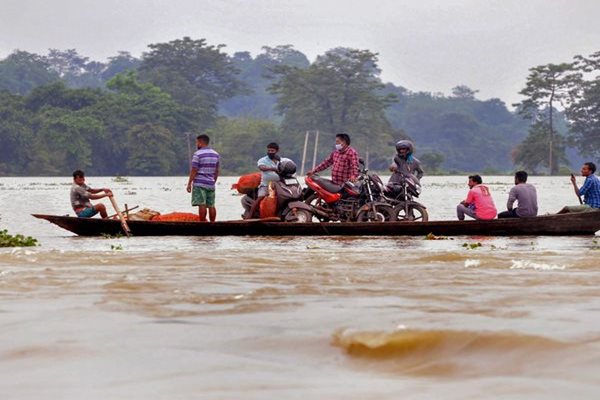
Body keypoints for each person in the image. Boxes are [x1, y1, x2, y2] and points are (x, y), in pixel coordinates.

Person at [186, 134, 220, 222]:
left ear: (201, 143)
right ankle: (213, 223)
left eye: (197, 142)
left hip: (199, 183)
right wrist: (213, 181)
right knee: (211, 205)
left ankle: (202, 224)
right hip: (211, 183)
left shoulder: (197, 154)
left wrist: (189, 183)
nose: (196, 144)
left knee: (202, 204)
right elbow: (216, 170)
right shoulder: (215, 154)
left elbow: (194, 170)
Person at [247, 142, 281, 219]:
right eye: (269, 150)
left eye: (272, 151)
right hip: (265, 184)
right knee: (261, 196)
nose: (270, 152)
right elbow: (261, 167)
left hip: (279, 185)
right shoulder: (263, 160)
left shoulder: (281, 160)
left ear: (277, 151)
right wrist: (273, 169)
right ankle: (250, 216)